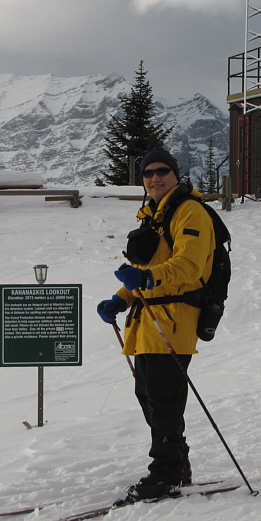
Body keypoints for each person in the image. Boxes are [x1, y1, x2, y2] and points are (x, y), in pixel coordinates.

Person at [97, 146, 215, 501]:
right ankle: (178, 462)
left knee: (164, 402)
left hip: (173, 322)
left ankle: (165, 473)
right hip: (146, 324)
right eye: (148, 173)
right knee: (149, 397)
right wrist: (121, 298)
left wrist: (143, 280)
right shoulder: (153, 215)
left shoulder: (189, 212)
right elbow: (148, 270)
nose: (154, 178)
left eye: (162, 171)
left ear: (176, 175)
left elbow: (188, 266)